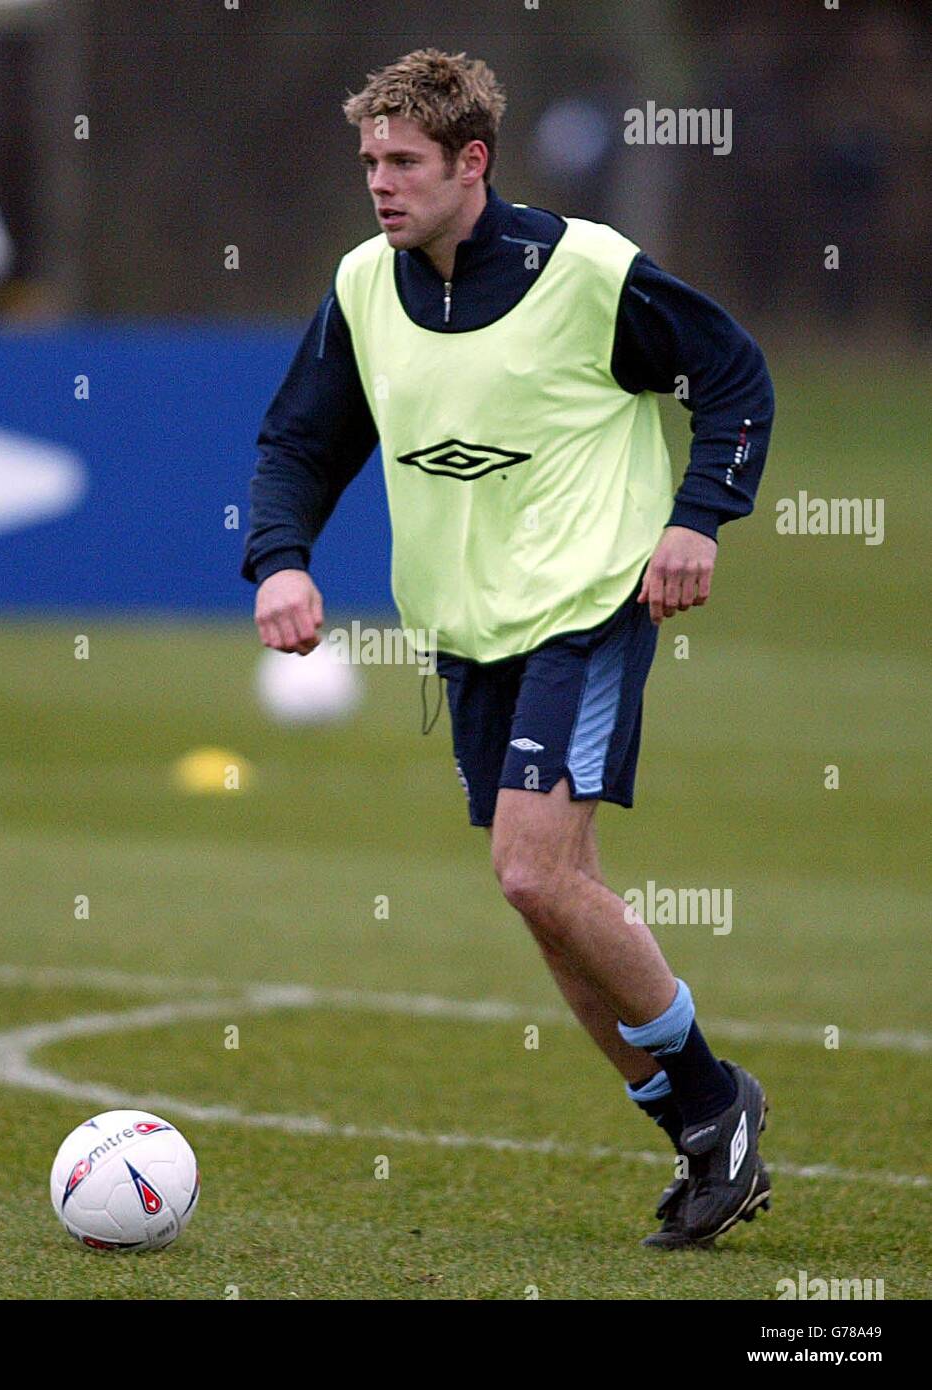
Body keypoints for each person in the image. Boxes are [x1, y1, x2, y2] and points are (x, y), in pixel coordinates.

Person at [242, 48, 775, 1249]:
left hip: (588, 603)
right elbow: (297, 442)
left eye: (406, 163)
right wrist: (281, 557)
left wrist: (698, 521)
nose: (382, 184)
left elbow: (734, 376)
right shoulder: (365, 289)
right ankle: (701, 1125)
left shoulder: (583, 272)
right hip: (471, 630)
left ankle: (714, 1102)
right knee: (543, 896)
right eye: (371, 162)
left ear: (471, 163)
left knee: (535, 871)